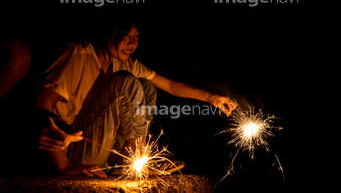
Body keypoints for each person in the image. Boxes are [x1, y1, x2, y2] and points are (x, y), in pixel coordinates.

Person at [34, 17, 237, 177]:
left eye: (137, 36)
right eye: (124, 35)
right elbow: (43, 103)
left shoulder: (126, 63)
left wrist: (211, 97)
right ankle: (135, 158)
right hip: (74, 147)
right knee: (126, 82)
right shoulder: (78, 54)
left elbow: (171, 85)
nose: (132, 43)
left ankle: (128, 162)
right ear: (107, 30)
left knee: (146, 87)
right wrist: (64, 165)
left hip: (105, 151)